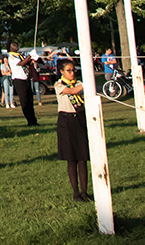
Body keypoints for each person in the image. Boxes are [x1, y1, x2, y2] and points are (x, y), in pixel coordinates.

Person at [54, 57, 89, 202]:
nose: (72, 73)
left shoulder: (80, 83)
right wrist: (88, 82)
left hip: (79, 119)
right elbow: (72, 91)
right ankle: (75, 193)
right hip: (66, 121)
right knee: (71, 159)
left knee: (82, 158)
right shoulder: (59, 85)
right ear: (62, 71)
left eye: (73, 70)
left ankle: (85, 192)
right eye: (68, 71)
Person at [9, 45, 38, 126]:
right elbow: (21, 63)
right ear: (11, 48)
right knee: (24, 101)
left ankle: (33, 120)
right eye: (14, 45)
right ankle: (29, 121)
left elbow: (27, 63)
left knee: (30, 100)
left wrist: (33, 58)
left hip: (26, 78)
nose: (17, 46)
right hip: (19, 80)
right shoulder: (12, 57)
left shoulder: (19, 56)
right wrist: (29, 55)